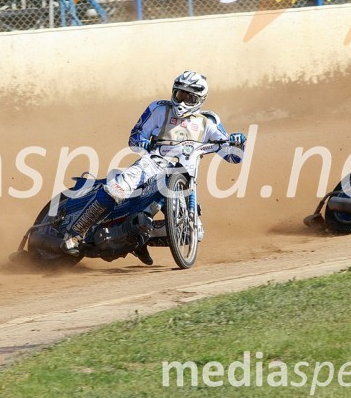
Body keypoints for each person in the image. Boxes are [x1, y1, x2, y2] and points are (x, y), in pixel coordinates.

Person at [60, 71, 247, 265]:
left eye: (188, 97)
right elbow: (135, 136)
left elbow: (233, 156)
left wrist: (238, 143)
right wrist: (143, 143)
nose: (181, 101)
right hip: (152, 163)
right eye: (179, 94)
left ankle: (137, 240)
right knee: (117, 189)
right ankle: (74, 234)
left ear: (199, 99)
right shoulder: (159, 109)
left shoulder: (208, 121)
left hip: (185, 176)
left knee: (194, 232)